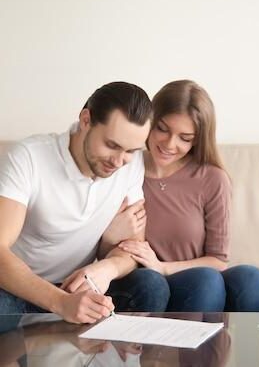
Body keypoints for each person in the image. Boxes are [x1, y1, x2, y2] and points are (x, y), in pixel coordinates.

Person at [0, 82, 168, 324]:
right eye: (112, 145)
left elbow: (133, 250)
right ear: (86, 120)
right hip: (22, 288)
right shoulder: (29, 158)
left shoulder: (131, 165)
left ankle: (119, 359)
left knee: (151, 286)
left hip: (81, 289)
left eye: (131, 150)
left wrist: (107, 268)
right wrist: (60, 302)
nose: (119, 161)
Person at [102, 79, 259, 312]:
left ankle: (257, 349)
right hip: (145, 286)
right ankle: (193, 347)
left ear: (198, 140)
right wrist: (112, 236)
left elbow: (217, 260)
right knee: (205, 281)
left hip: (189, 280)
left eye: (185, 138)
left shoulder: (212, 179)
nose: (169, 144)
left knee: (249, 277)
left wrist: (162, 267)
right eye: (163, 129)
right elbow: (103, 251)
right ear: (149, 122)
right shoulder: (124, 166)